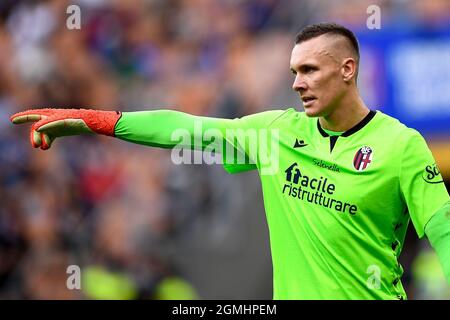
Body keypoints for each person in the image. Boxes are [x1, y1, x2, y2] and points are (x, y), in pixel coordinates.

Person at [10, 23, 450, 300]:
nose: (297, 83)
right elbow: (184, 129)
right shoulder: (276, 133)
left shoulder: (400, 145)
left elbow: (443, 229)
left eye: (311, 70)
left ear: (348, 70)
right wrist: (95, 120)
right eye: (294, 72)